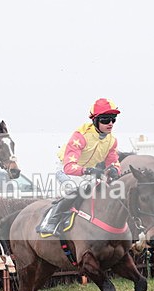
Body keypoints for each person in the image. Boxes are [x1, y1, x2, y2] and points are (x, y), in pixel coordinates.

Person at [39, 98, 122, 234]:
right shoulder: (80, 136)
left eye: (113, 119)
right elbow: (69, 167)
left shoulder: (112, 141)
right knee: (74, 190)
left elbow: (114, 163)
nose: (111, 123)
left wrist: (114, 169)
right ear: (95, 120)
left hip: (88, 173)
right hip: (67, 170)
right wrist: (88, 170)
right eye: (106, 120)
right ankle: (50, 221)